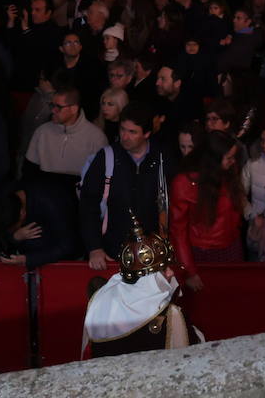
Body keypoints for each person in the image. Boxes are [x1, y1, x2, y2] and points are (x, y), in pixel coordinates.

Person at [82, 216, 201, 357]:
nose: (170, 273)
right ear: (150, 277)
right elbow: (189, 353)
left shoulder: (99, 301)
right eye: (163, 269)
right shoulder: (171, 314)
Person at [21, 86, 109, 256]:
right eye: (51, 105)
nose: (53, 110)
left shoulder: (96, 137)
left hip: (77, 210)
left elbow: (99, 184)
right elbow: (28, 172)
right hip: (43, 208)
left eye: (58, 107)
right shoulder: (42, 132)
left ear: (74, 108)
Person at [79, 103, 167, 270]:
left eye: (132, 132)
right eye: (123, 130)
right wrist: (94, 247)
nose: (125, 136)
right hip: (112, 251)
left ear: (147, 133)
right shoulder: (106, 158)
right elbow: (88, 206)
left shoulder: (163, 159)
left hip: (152, 253)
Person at [169, 130, 247, 291]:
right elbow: (178, 231)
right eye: (229, 158)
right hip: (201, 254)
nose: (233, 162)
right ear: (213, 159)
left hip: (231, 248)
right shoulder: (185, 183)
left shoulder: (228, 172)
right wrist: (189, 271)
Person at [0, 177, 83, 266]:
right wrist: (15, 237)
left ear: (22, 214)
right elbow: (3, 233)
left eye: (15, 228)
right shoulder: (5, 197)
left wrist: (28, 259)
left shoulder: (51, 204)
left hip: (72, 240)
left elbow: (67, 246)